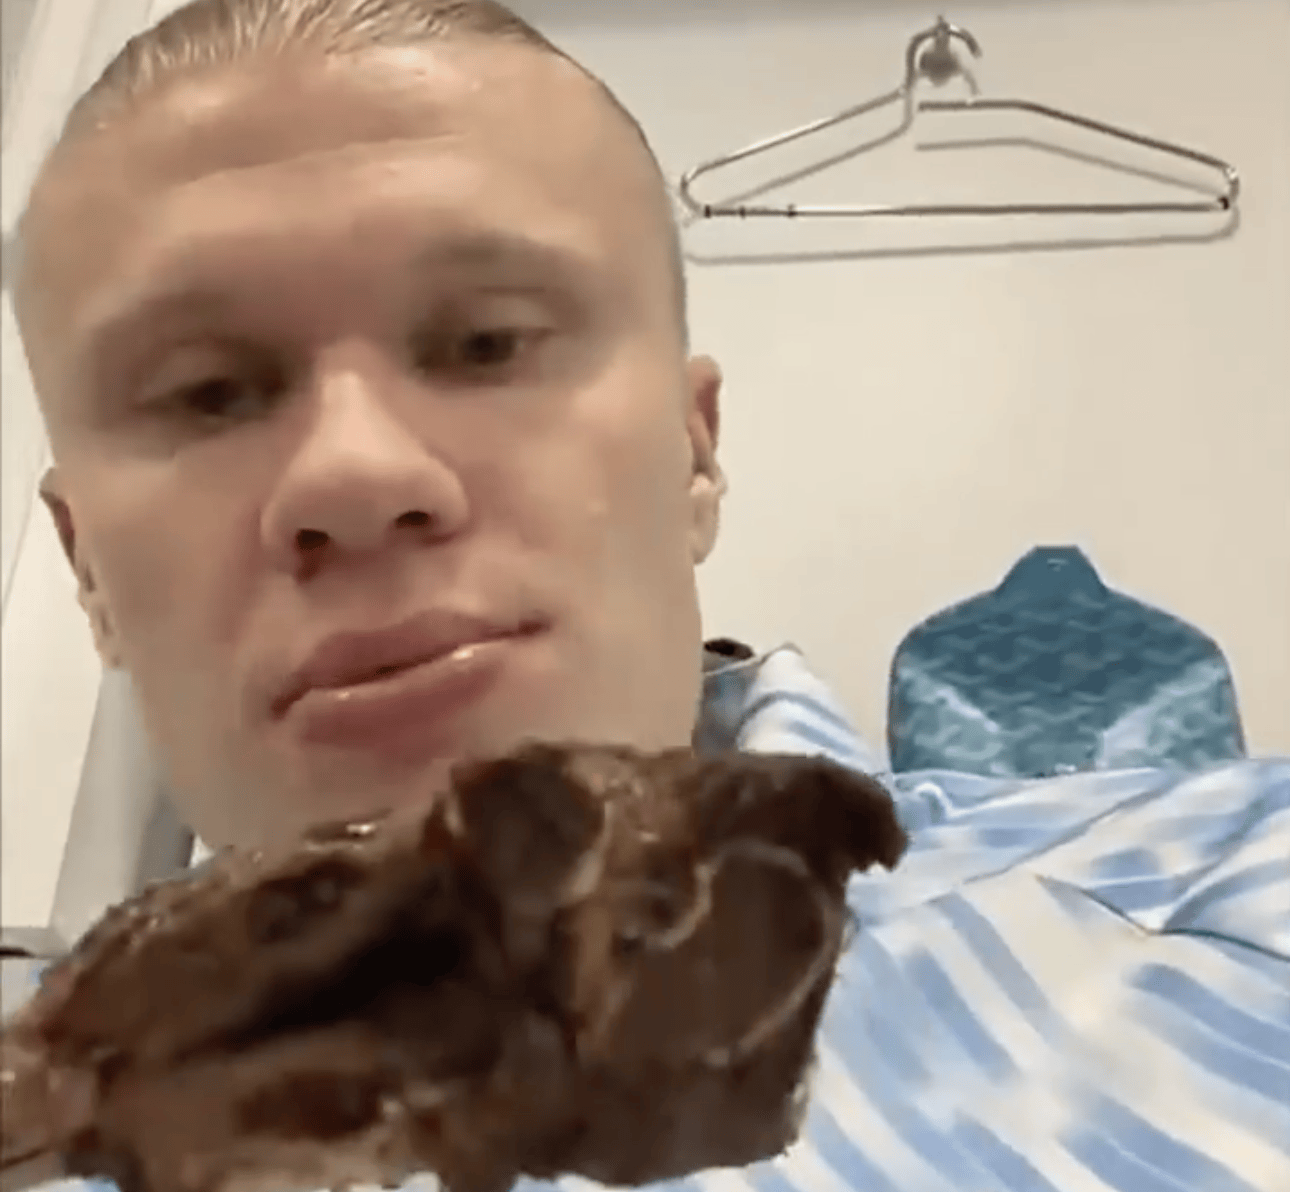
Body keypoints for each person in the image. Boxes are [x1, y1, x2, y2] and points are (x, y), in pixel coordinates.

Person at [7, 2, 1288, 1190]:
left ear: (694, 454)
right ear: (87, 570)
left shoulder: (1237, 908)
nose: (356, 475)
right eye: (209, 393)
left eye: (486, 341)